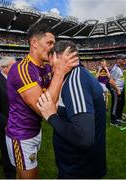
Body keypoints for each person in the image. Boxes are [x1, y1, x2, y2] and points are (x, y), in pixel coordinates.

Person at [5, 23, 78, 179]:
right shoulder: (21, 69)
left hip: (35, 130)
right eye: (49, 43)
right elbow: (43, 108)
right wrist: (59, 72)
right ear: (34, 43)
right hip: (21, 135)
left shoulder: (45, 68)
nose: (53, 48)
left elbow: (56, 99)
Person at [37, 40, 107, 179]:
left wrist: (51, 116)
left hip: (79, 170)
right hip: (82, 166)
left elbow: (84, 138)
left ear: (56, 57)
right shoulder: (78, 75)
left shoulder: (76, 80)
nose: (49, 66)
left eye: (50, 61)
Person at [109, 54, 126, 126]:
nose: (125, 60)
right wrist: (118, 89)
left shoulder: (120, 67)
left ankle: (118, 117)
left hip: (120, 89)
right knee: (115, 105)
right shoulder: (115, 69)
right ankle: (113, 120)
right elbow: (111, 81)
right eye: (123, 59)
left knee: (121, 103)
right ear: (118, 60)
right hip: (116, 90)